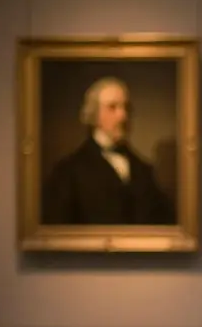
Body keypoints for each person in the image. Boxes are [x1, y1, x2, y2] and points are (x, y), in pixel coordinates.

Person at [41, 76, 175, 226]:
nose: (123, 116)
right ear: (94, 114)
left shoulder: (144, 171)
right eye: (113, 107)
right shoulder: (68, 172)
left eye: (126, 108)